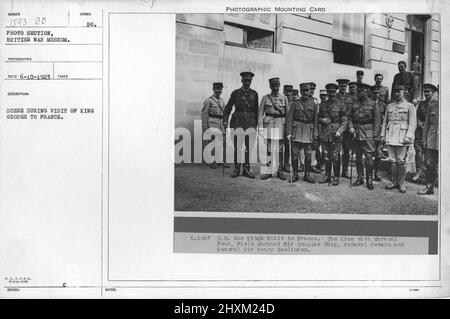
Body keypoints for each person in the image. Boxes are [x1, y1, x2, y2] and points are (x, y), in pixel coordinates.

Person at [381, 85, 416, 193]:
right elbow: (385, 122)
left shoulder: (409, 106)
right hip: (390, 135)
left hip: (402, 136)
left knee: (401, 161)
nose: (397, 94)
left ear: (404, 92)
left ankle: (402, 183)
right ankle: (394, 182)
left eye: (399, 91)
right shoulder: (389, 106)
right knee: (392, 160)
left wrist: (409, 136)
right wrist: (383, 135)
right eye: (395, 92)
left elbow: (412, 123)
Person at [223, 71, 259, 178]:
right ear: (242, 80)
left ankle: (246, 169)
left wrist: (255, 124)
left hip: (250, 123)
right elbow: (228, 108)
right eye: (245, 80)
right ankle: (237, 168)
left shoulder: (254, 94)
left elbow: (256, 111)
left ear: (251, 81)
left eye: (249, 81)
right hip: (237, 122)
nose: (247, 83)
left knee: (249, 147)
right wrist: (225, 121)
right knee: (237, 147)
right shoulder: (235, 93)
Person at [348, 83, 381, 190]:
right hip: (356, 132)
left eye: (360, 91)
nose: (358, 93)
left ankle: (369, 178)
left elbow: (377, 121)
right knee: (357, 156)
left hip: (368, 132)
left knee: (368, 157)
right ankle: (360, 177)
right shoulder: (354, 103)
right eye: (357, 91)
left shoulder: (373, 104)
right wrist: (351, 127)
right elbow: (349, 117)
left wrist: (375, 135)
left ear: (366, 92)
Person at [286, 83, 318, 183]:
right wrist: (289, 132)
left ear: (309, 92)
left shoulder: (313, 104)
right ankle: (295, 174)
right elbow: (289, 118)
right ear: (300, 91)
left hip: (309, 130)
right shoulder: (295, 103)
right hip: (297, 130)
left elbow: (315, 121)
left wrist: (315, 133)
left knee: (308, 154)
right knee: (295, 153)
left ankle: (307, 175)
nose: (305, 93)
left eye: (307, 91)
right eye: (303, 91)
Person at [258, 77, 288, 180]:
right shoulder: (265, 98)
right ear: (270, 86)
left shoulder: (284, 98)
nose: (275, 87)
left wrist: (288, 130)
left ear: (279, 86)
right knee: (269, 149)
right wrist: (261, 128)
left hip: (280, 124)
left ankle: (280, 171)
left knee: (279, 149)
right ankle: (269, 171)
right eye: (273, 85)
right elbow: (260, 113)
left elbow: (287, 114)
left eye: (277, 85)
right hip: (269, 124)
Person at [318, 83, 347, 186]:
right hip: (325, 133)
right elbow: (318, 118)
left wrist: (339, 131)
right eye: (329, 92)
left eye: (333, 92)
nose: (331, 94)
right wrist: (322, 120)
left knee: (335, 156)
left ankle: (336, 176)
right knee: (326, 155)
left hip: (336, 134)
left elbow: (344, 121)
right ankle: (327, 175)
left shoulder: (341, 104)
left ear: (336, 92)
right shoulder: (323, 104)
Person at [412, 83, 438, 182]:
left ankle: (430, 173)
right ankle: (419, 171)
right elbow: (417, 116)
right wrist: (421, 125)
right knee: (418, 151)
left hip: (431, 133)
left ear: (433, 93)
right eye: (425, 92)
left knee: (429, 153)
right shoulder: (421, 104)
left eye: (428, 92)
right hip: (420, 131)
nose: (426, 93)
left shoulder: (436, 104)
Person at [201, 82, 229, 169]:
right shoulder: (208, 101)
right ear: (213, 89)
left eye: (220, 89)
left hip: (220, 124)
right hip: (212, 124)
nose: (219, 91)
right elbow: (204, 114)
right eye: (217, 89)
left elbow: (224, 114)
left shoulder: (222, 101)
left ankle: (220, 161)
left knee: (221, 143)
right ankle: (211, 161)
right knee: (212, 143)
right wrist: (205, 127)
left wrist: (225, 123)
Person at [418, 87, 439, 195]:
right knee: (430, 164)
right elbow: (426, 125)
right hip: (432, 141)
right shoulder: (433, 106)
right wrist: (424, 139)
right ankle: (429, 187)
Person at [336, 79, 352, 179]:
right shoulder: (334, 97)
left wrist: (350, 127)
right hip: (337, 128)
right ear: (338, 86)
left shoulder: (350, 98)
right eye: (341, 86)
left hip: (346, 129)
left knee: (346, 151)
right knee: (336, 151)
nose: (343, 88)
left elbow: (350, 113)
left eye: (344, 86)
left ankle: (344, 171)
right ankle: (336, 171)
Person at [371, 85, 387, 181]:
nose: (376, 94)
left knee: (378, 154)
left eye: (377, 93)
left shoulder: (383, 105)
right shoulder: (368, 104)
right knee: (369, 153)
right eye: (374, 93)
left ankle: (375, 173)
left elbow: (385, 119)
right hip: (369, 131)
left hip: (379, 132)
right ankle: (368, 173)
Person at [309, 82, 322, 173]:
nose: (311, 91)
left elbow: (317, 115)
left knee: (315, 146)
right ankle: (306, 165)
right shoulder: (303, 100)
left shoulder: (316, 101)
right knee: (307, 147)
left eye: (313, 89)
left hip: (315, 126)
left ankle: (317, 164)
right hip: (306, 126)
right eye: (310, 89)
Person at [282, 84, 294, 173]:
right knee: (275, 146)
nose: (288, 94)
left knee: (288, 146)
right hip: (280, 125)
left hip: (290, 127)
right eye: (286, 92)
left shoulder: (294, 103)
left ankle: (286, 164)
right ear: (283, 92)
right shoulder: (280, 100)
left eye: (290, 92)